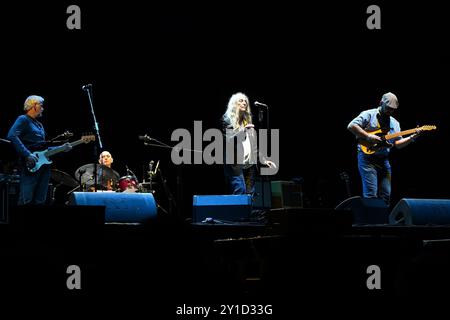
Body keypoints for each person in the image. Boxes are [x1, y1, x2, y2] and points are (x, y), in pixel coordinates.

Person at [347, 92, 421, 205]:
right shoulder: (369, 114)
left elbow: (398, 144)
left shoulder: (394, 123)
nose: (390, 111)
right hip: (367, 158)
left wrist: (412, 137)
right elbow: (351, 126)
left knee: (386, 195)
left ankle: (382, 222)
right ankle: (370, 222)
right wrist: (368, 136)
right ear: (381, 103)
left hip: (384, 160)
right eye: (388, 108)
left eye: (392, 109)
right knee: (371, 194)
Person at [7, 95, 71, 205]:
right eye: (41, 105)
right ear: (34, 106)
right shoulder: (23, 119)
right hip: (30, 165)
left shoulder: (39, 125)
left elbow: (43, 148)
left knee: (40, 200)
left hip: (44, 166)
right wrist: (27, 154)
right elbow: (12, 135)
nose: (43, 108)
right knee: (25, 199)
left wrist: (61, 148)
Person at [221, 92, 276, 195]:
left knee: (250, 194)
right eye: (241, 101)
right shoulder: (227, 120)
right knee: (240, 191)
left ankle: (247, 211)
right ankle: (237, 211)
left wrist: (263, 160)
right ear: (234, 104)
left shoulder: (248, 121)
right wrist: (243, 131)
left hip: (249, 165)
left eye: (245, 101)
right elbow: (229, 141)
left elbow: (254, 146)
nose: (244, 103)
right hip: (235, 164)